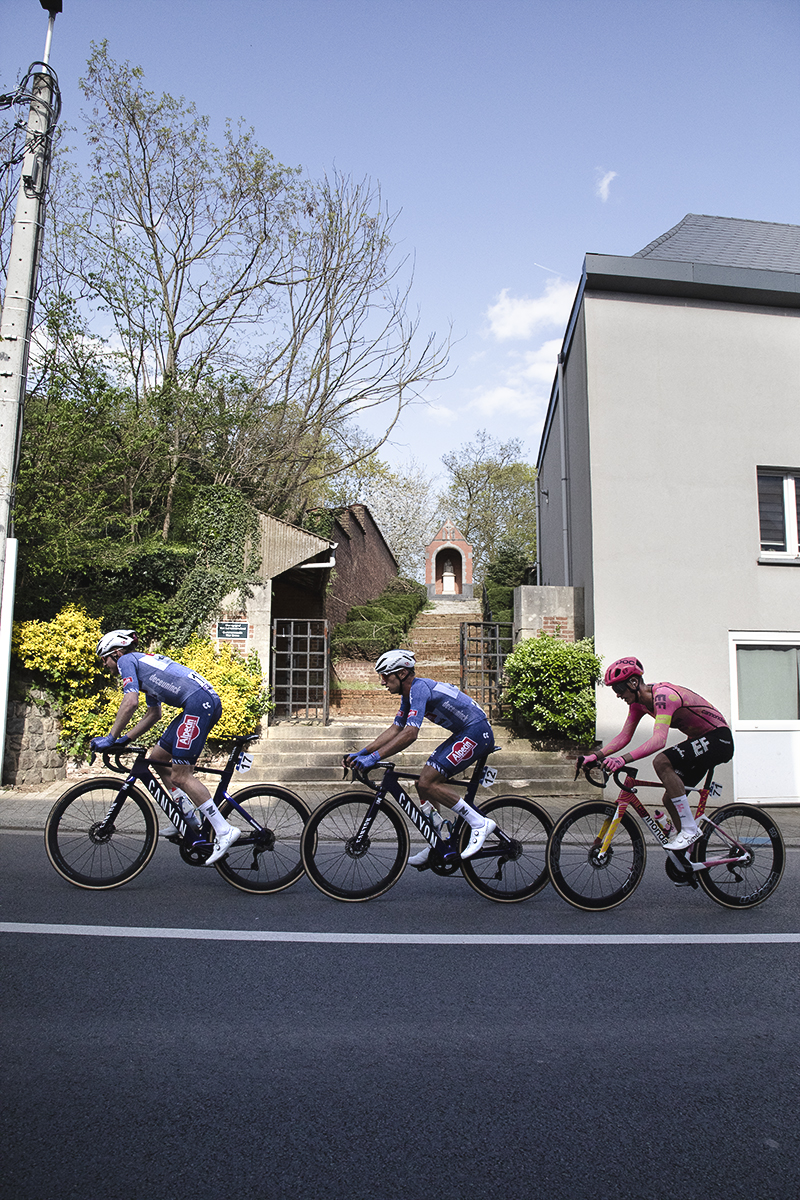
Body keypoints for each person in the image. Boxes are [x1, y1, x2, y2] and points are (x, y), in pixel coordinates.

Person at [91, 630, 240, 866]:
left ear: (116, 653)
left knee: (181, 776)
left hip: (198, 705)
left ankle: (224, 830)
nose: (105, 664)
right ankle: (189, 817)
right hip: (197, 702)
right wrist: (125, 740)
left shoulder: (127, 661)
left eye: (105, 658)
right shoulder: (143, 665)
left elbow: (130, 702)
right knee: (158, 758)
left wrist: (111, 737)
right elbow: (154, 713)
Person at [344, 649, 497, 867]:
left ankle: (479, 823)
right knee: (422, 784)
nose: (382, 682)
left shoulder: (419, 688)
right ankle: (436, 843)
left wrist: (375, 757)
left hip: (476, 732)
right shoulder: (409, 694)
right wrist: (364, 752)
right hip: (466, 732)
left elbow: (410, 733)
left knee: (427, 780)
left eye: (386, 676)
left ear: (402, 673)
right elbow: (396, 728)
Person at [583, 656, 734, 852]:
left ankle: (689, 830)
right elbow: (624, 736)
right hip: (700, 740)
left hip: (719, 739)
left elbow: (659, 740)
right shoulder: (638, 704)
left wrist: (622, 759)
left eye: (619, 689)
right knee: (669, 799)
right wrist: (595, 756)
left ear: (634, 682)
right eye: (614, 690)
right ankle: (689, 854)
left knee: (662, 761)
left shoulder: (663, 696)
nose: (618, 695)